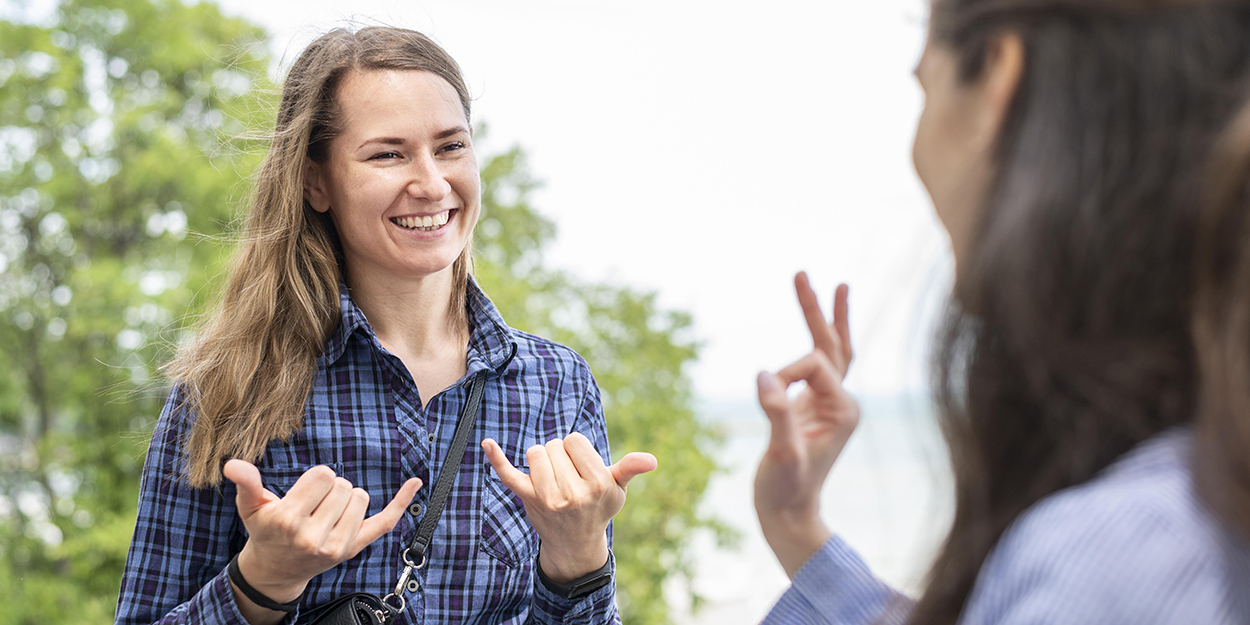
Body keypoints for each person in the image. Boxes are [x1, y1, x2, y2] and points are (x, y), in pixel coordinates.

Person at [114, 26, 655, 625]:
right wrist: (263, 582)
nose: (430, 183)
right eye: (387, 154)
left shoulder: (557, 384)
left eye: (450, 147)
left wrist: (579, 556)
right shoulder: (229, 387)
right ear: (316, 182)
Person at [754, 0, 1250, 623]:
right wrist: (797, 526)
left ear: (998, 79)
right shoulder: (1194, 488)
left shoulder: (1114, 557)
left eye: (925, 85)